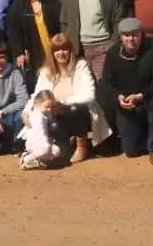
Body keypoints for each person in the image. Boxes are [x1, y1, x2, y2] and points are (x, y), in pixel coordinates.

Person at [98, 19, 153, 161]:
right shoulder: (113, 54)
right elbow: (106, 82)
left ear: (141, 35)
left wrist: (141, 95)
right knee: (131, 151)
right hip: (127, 103)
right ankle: (146, 134)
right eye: (127, 35)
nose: (131, 39)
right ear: (121, 37)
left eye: (135, 34)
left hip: (149, 98)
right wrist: (118, 97)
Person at [35, 33, 109, 162]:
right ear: (52, 53)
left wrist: (63, 102)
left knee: (77, 109)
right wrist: (26, 112)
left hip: (82, 114)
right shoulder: (45, 71)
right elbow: (37, 96)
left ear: (70, 50)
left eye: (64, 49)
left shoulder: (81, 66)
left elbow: (90, 95)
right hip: (57, 114)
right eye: (57, 50)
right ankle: (65, 147)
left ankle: (81, 147)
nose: (61, 53)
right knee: (52, 125)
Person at [61, 0, 128, 80]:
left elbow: (118, 18)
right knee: (83, 83)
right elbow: (64, 22)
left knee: (102, 83)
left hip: (103, 46)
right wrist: (69, 45)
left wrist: (112, 43)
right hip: (80, 49)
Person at [5, 0, 61, 85]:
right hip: (31, 53)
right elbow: (13, 32)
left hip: (53, 50)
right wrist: (19, 53)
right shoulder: (18, 5)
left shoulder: (51, 1)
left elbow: (61, 23)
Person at [18, 90, 65, 169]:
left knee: (57, 151)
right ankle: (26, 158)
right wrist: (47, 145)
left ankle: (38, 161)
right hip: (33, 142)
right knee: (46, 149)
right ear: (37, 104)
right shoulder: (37, 116)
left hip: (42, 141)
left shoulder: (46, 113)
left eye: (51, 107)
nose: (49, 109)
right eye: (47, 107)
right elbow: (41, 133)